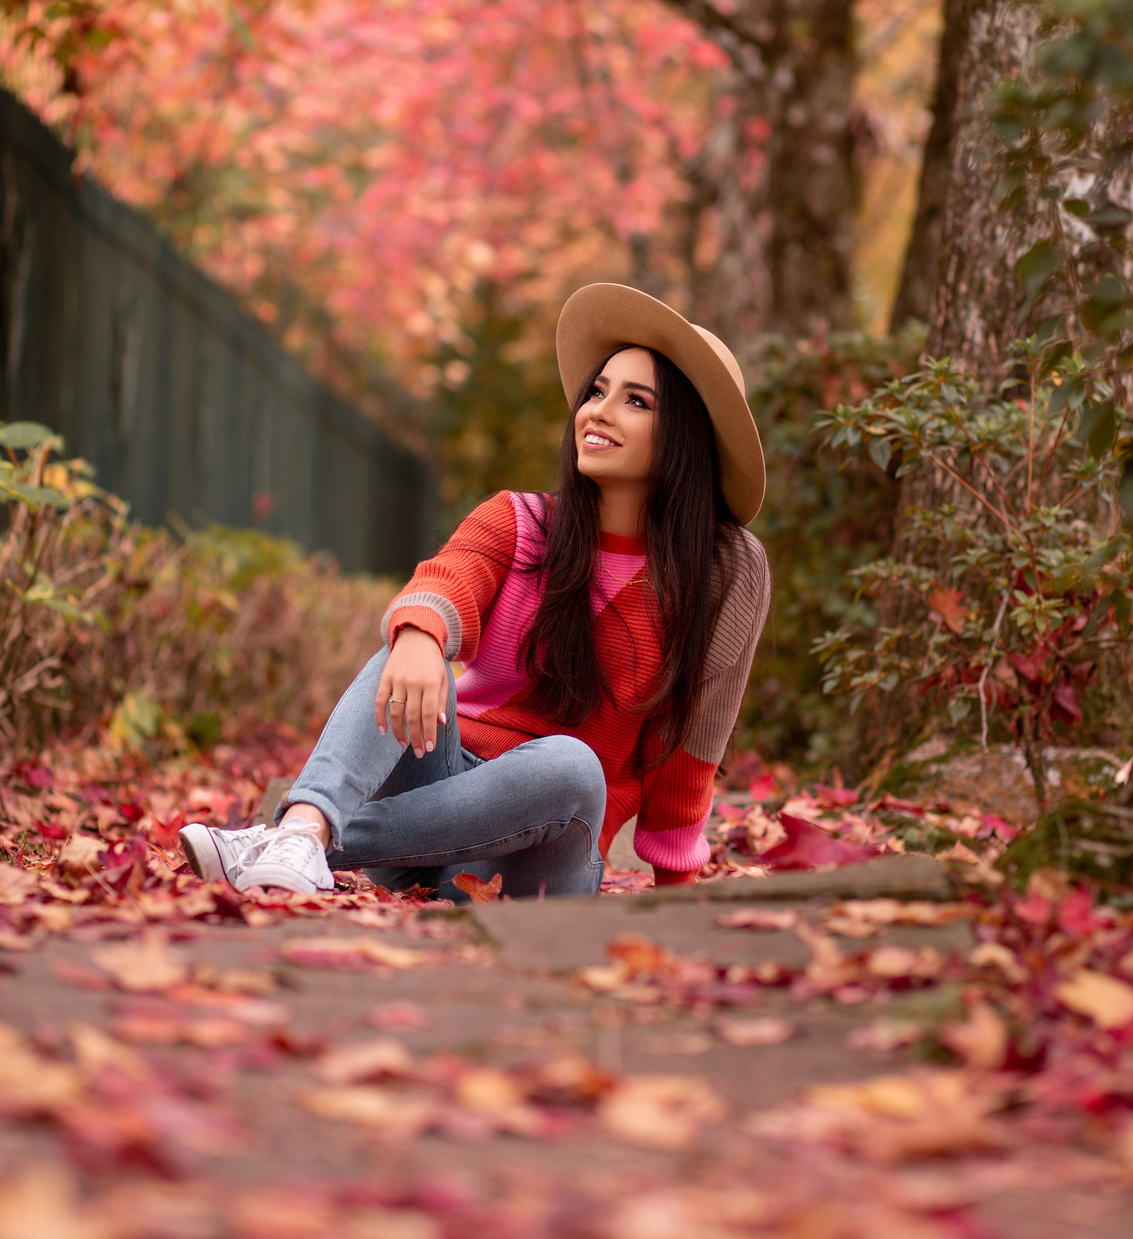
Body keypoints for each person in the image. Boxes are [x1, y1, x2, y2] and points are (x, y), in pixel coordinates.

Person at [180, 283, 770, 900]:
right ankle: (302, 830)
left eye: (636, 402)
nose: (597, 411)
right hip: (431, 803)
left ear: (686, 435)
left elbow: (692, 746)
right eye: (597, 392)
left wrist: (680, 890)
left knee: (572, 766)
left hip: (539, 854)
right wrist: (417, 635)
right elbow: (447, 578)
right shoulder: (521, 522)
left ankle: (292, 839)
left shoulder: (725, 572)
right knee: (410, 645)